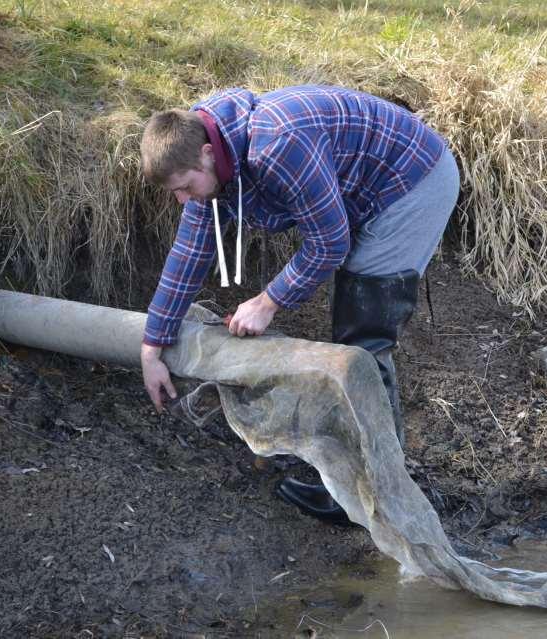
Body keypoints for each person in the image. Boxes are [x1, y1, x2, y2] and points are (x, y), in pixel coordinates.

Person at [139, 85, 459, 524]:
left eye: (184, 188)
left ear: (208, 155)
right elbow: (189, 256)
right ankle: (360, 476)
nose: (182, 199)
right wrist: (152, 348)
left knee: (363, 332)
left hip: (412, 182)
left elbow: (329, 242)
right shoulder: (205, 161)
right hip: (363, 190)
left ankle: (377, 496)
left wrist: (268, 301)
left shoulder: (277, 144)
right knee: (350, 313)